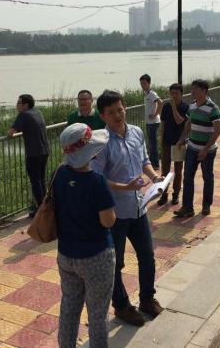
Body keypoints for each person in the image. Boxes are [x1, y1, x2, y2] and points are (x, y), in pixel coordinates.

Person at [91, 90, 164, 327]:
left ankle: (147, 299)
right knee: (116, 263)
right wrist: (126, 186)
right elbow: (97, 178)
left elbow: (144, 161)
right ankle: (122, 306)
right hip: (116, 213)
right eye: (111, 112)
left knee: (147, 257)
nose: (117, 115)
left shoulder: (136, 132)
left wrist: (155, 177)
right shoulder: (101, 142)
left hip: (139, 207)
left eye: (120, 109)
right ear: (102, 115)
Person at [55, 123, 116, 348]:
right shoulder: (96, 181)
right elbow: (107, 221)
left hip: (66, 254)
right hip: (96, 256)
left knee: (69, 309)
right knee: (97, 314)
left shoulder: (59, 174)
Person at [174, 80, 220, 218]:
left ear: (204, 91)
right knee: (188, 177)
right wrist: (182, 138)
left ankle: (206, 205)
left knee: (207, 177)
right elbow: (189, 123)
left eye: (195, 89)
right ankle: (187, 207)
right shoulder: (192, 106)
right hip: (192, 148)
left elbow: (217, 130)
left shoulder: (213, 108)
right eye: (192, 89)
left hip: (208, 151)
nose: (192, 91)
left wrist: (205, 149)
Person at [8, 94, 50, 217]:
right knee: (42, 179)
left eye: (18, 103)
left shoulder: (24, 115)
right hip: (45, 150)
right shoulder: (37, 112)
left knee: (35, 181)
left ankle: (41, 210)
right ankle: (46, 206)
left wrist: (10, 132)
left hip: (34, 153)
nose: (16, 106)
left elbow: (10, 133)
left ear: (26, 105)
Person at [157, 83, 189, 206]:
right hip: (167, 142)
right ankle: (164, 194)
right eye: (172, 93)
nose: (174, 96)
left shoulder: (185, 107)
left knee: (178, 171)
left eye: (176, 93)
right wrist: (161, 139)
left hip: (179, 142)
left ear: (181, 94)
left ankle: (175, 195)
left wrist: (174, 107)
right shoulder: (166, 106)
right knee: (165, 170)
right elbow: (163, 123)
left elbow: (179, 121)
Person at [139, 74, 163, 170]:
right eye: (141, 83)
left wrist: (155, 114)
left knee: (153, 144)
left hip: (153, 123)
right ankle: (153, 163)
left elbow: (160, 102)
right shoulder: (146, 93)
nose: (142, 85)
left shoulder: (151, 93)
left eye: (144, 83)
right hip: (149, 122)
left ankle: (155, 164)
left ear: (149, 83)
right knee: (151, 143)